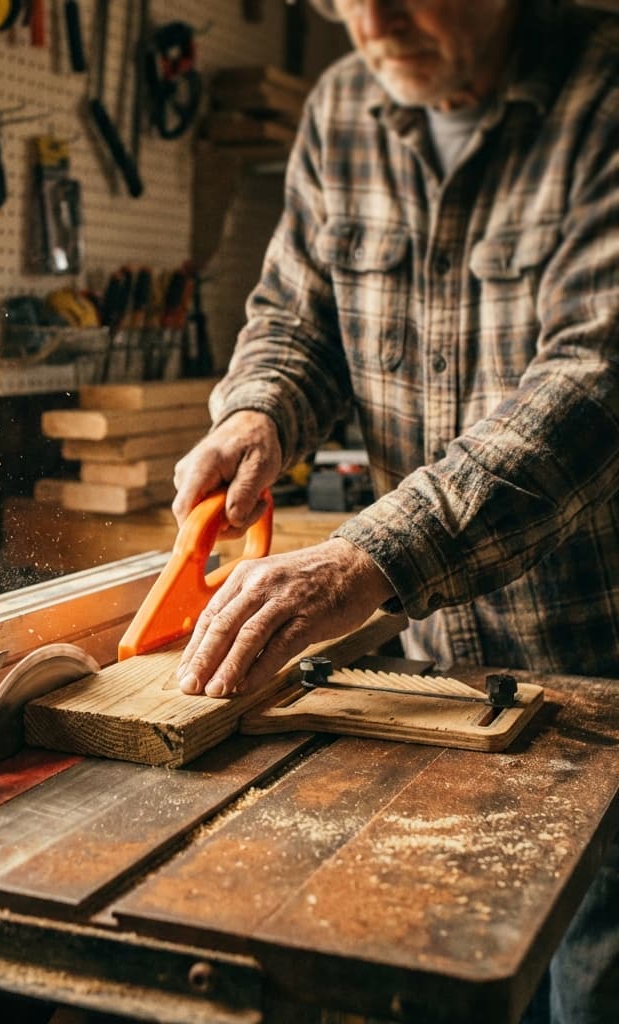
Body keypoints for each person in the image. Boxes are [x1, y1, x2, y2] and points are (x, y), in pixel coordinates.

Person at [171, 1, 619, 1022]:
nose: (369, 18)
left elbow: (593, 384)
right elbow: (296, 318)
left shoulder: (604, 94)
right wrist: (257, 413)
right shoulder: (340, 110)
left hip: (604, 678)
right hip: (441, 684)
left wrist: (364, 555)